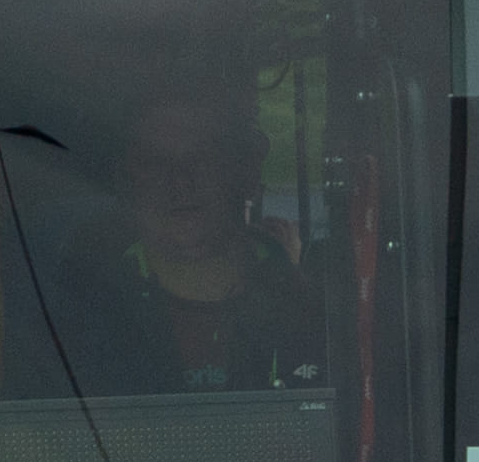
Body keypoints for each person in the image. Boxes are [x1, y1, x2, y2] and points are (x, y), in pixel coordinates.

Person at [82, 91, 327, 396]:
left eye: (201, 160)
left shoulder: (310, 311)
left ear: (245, 173)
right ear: (125, 181)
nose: (180, 183)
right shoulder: (84, 310)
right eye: (155, 164)